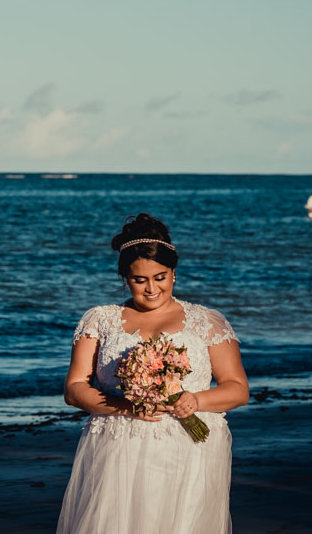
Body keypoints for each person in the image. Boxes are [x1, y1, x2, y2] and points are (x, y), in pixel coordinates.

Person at [56, 213, 249, 534]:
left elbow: (237, 388)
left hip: (188, 447)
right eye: (139, 280)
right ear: (125, 278)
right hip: (119, 446)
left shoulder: (207, 321)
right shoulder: (100, 320)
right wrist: (127, 406)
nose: (151, 289)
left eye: (160, 277)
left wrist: (195, 400)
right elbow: (75, 388)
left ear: (174, 273)